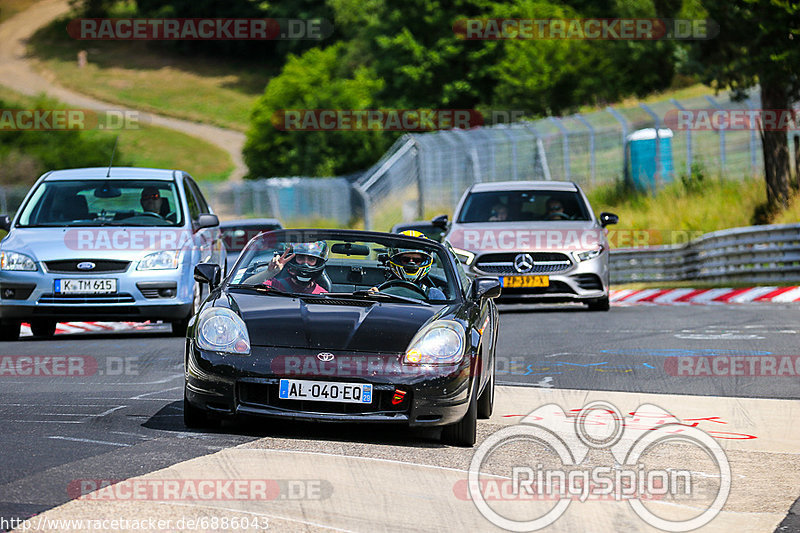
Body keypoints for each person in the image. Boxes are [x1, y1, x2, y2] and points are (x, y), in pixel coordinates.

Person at [371, 230, 446, 300]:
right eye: (406, 260)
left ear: (424, 262)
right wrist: (372, 297)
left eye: (417, 260)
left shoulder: (434, 295)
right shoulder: (378, 291)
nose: (411, 264)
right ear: (396, 260)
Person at [261, 241, 329, 294]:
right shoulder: (275, 285)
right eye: (300, 258)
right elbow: (250, 285)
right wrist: (269, 273)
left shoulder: (322, 294)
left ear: (317, 263)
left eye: (311, 259)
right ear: (293, 260)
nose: (305, 264)